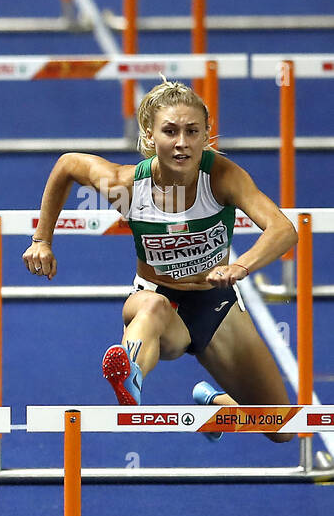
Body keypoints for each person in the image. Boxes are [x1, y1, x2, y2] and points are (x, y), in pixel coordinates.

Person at [22, 79, 297, 442]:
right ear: (150, 136)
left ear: (206, 135)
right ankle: (130, 372)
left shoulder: (221, 178)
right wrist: (42, 239)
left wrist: (240, 266)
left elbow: (283, 229)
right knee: (152, 307)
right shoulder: (127, 187)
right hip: (158, 300)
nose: (182, 142)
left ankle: (218, 405)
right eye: (170, 131)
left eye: (192, 131)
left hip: (217, 306)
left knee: (280, 428)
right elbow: (68, 164)